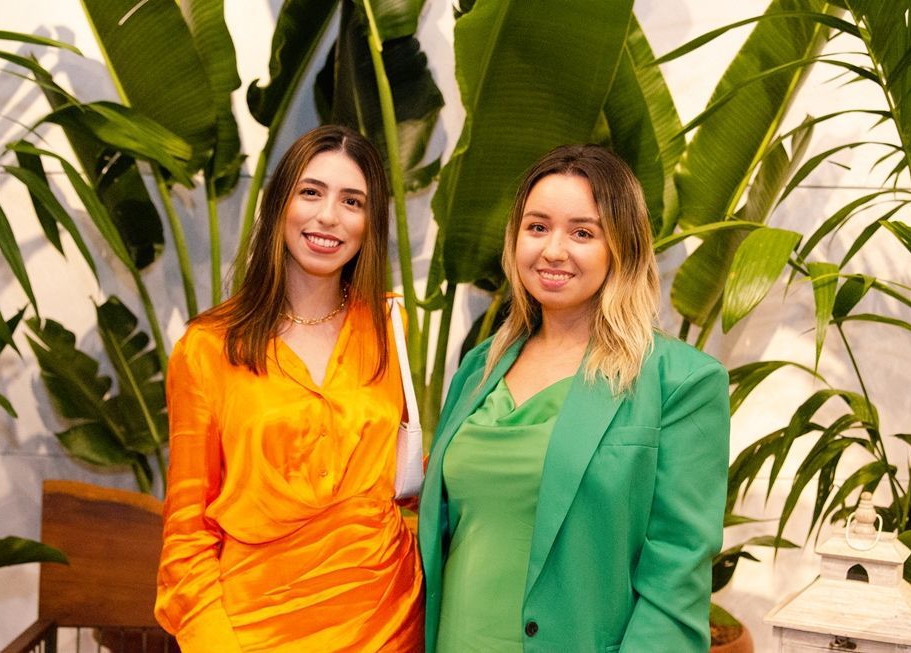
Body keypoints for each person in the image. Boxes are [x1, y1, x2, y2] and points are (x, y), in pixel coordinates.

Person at [418, 144, 730, 652]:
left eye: (582, 232)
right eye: (537, 227)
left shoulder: (681, 381)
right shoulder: (479, 368)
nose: (553, 250)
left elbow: (677, 578)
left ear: (621, 247)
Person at [155, 125, 423, 652]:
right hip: (256, 631)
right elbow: (186, 535)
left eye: (352, 201)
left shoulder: (389, 326)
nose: (329, 217)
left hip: (387, 624)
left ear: (371, 224)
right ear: (279, 205)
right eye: (311, 192)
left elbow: (396, 485)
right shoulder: (208, 348)